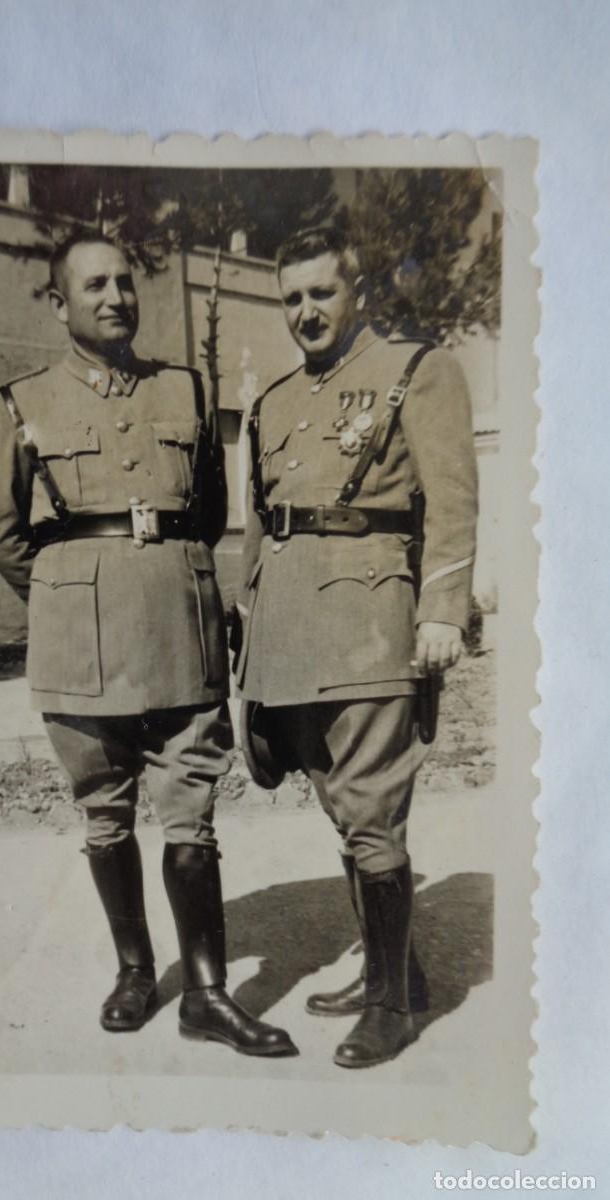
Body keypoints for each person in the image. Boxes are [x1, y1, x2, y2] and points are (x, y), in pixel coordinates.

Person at [0, 229, 296, 1058]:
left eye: (126, 281)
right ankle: (131, 969)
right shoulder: (19, 402)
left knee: (193, 817)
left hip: (178, 641)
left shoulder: (186, 392)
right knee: (105, 817)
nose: (117, 296)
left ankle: (209, 994)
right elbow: (1, 536)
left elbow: (211, 516)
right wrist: (66, 597)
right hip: (76, 657)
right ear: (59, 303)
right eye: (95, 286)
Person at [235, 226, 477, 1068]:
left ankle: (390, 1008)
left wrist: (443, 607)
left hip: (376, 615)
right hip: (292, 625)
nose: (306, 311)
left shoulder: (417, 370)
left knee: (373, 812)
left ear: (357, 289)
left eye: (321, 293)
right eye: (292, 298)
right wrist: (247, 619)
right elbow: (260, 528)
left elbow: (452, 498)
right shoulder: (273, 402)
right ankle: (396, 972)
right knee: (341, 806)